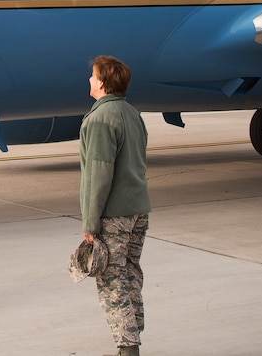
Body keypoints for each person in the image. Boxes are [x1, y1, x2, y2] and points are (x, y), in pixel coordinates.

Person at [79, 55, 151, 356]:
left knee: (111, 280)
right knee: (130, 272)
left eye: (93, 76)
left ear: (103, 82)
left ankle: (127, 347)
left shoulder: (99, 120)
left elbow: (98, 175)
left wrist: (90, 223)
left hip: (114, 215)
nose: (89, 80)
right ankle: (134, 334)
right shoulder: (133, 114)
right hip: (139, 210)